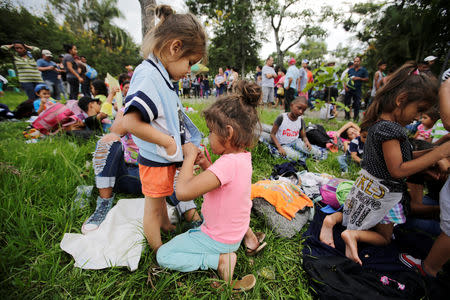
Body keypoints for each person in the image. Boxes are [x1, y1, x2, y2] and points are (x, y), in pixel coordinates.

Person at [319, 62, 450, 266]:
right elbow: (398, 170)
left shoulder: (381, 126)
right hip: (384, 194)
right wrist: (439, 153)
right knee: (385, 237)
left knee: (352, 214)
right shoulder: (391, 130)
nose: (418, 117)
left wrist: (434, 151)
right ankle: (353, 235)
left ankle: (331, 220)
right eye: (419, 110)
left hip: (368, 188)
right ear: (401, 100)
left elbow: (406, 156)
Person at [157, 81, 264, 291]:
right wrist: (207, 164)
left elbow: (183, 192)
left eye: (211, 132)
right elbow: (224, 184)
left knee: (163, 255)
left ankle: (219, 261)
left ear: (229, 133)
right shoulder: (242, 158)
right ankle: (234, 247)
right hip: (234, 233)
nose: (208, 137)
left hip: (218, 239)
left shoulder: (226, 164)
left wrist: (188, 158)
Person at [122, 4, 206, 251]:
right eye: (190, 63)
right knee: (153, 204)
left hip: (163, 159)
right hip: (156, 159)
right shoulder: (149, 76)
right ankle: (158, 249)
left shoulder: (162, 76)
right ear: (175, 47)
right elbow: (130, 122)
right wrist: (167, 141)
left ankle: (165, 225)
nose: (189, 71)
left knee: (160, 200)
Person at [82, 108, 202, 233]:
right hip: (128, 172)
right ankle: (103, 205)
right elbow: (115, 131)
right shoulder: (128, 109)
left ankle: (194, 220)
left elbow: (180, 146)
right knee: (108, 139)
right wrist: (132, 115)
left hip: (158, 173)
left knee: (175, 169)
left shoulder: (167, 108)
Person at [269, 96, 324, 161]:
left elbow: (304, 136)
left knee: (316, 152)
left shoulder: (301, 121)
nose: (301, 112)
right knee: (296, 157)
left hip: (296, 142)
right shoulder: (282, 117)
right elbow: (272, 134)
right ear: (291, 105)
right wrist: (279, 147)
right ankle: (303, 157)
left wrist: (307, 142)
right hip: (283, 144)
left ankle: (308, 155)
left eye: (303, 110)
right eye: (299, 108)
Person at [344, 56, 369, 121]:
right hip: (349, 89)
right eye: (355, 61)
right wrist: (345, 87)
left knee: (357, 104)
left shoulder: (363, 70)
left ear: (360, 62)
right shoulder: (350, 70)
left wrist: (359, 78)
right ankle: (347, 117)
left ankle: (356, 118)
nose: (356, 63)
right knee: (347, 103)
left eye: (357, 61)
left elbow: (367, 79)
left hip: (357, 89)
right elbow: (345, 78)